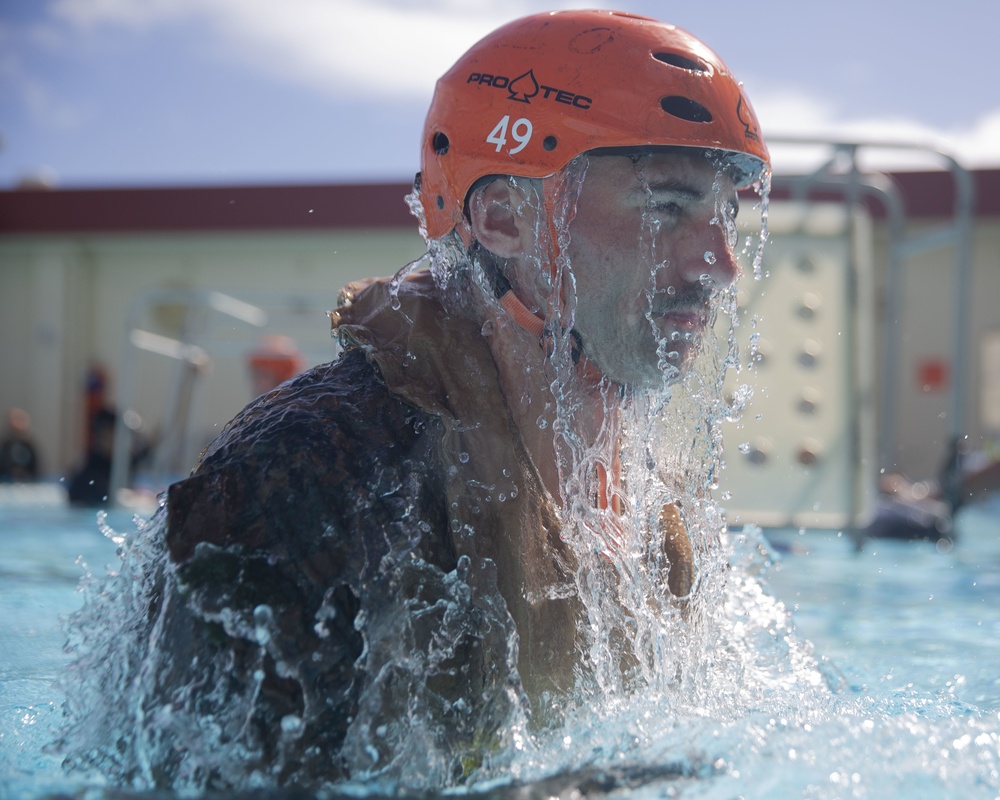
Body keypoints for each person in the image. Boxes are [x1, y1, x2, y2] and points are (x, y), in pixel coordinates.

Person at [61, 10, 769, 791]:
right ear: (503, 218)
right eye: (666, 207)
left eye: (725, 214)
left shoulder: (643, 503)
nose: (721, 263)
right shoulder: (312, 479)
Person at [0, 407, 41, 482]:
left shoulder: (29, 444)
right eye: (17, 419)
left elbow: (36, 465)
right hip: (7, 482)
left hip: (28, 482)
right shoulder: (6, 444)